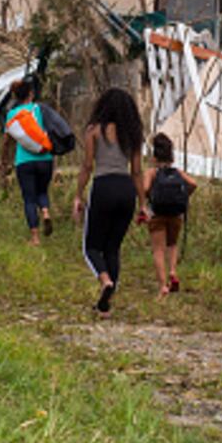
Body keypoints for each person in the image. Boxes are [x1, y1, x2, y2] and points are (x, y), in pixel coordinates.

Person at [73, 87, 145, 314]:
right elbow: (137, 171)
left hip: (103, 187)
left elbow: (87, 166)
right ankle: (106, 304)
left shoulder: (94, 131)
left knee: (91, 247)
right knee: (113, 248)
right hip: (126, 190)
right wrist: (143, 203)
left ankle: (105, 281)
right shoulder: (133, 135)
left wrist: (78, 194)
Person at [142, 133, 197, 298]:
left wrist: (146, 201)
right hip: (176, 214)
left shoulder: (152, 172)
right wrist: (185, 196)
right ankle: (173, 271)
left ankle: (162, 286)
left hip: (157, 214)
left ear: (154, 156)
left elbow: (144, 189)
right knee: (172, 244)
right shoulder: (178, 172)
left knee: (158, 250)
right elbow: (193, 184)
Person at [0, 79, 54, 245]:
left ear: (15, 96)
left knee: (29, 199)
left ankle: (35, 238)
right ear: (31, 94)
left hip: (24, 162)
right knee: (42, 192)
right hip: (45, 159)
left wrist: (4, 161)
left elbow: (6, 142)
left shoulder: (11, 115)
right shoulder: (40, 110)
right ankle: (45, 212)